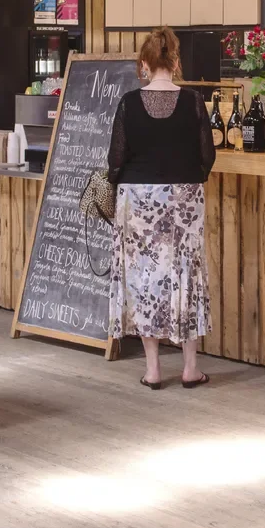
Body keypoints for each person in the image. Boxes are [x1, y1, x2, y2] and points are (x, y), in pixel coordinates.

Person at [107, 26, 216, 389]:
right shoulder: (193, 102)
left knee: (144, 279)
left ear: (144, 64)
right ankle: (189, 368)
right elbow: (207, 156)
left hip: (137, 199)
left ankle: (153, 369)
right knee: (186, 274)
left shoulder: (128, 103)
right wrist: (184, 178)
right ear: (176, 61)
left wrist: (133, 183)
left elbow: (115, 159)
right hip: (184, 196)